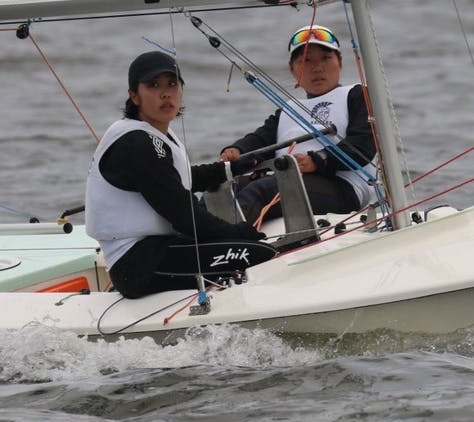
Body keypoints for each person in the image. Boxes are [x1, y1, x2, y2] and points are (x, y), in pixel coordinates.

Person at [85, 50, 274, 299]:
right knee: (260, 254)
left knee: (246, 248)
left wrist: (230, 169)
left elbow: (178, 180)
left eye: (172, 84)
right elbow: (183, 214)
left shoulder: (154, 134)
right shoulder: (138, 143)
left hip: (154, 252)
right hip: (138, 265)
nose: (166, 93)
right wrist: (237, 232)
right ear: (134, 96)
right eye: (154, 86)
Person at [219, 25, 378, 225]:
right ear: (292, 69)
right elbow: (259, 140)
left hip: (344, 187)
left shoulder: (356, 95)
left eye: (326, 58)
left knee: (260, 190)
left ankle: (230, 238)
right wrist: (237, 150)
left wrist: (318, 160)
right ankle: (194, 239)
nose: (317, 68)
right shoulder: (288, 110)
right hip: (289, 180)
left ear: (340, 62)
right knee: (222, 190)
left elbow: (363, 145)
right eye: (306, 61)